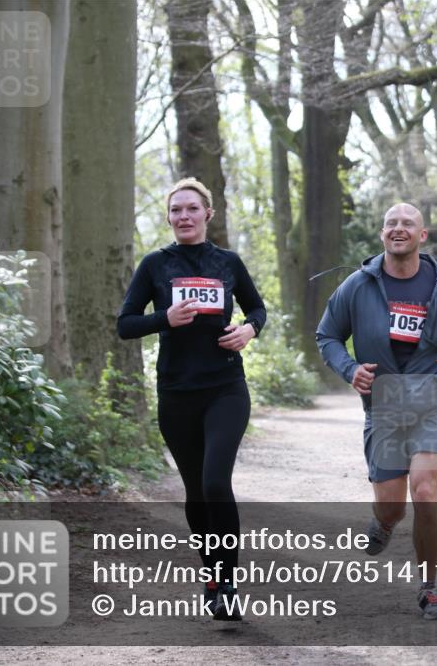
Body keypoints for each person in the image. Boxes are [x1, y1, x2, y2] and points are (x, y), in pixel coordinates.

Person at [316, 203, 437, 620]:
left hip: (433, 401)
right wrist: (350, 367)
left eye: (407, 223)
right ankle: (384, 521)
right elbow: (328, 336)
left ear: (422, 235)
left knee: (426, 492)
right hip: (385, 405)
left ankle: (429, 588)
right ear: (382, 235)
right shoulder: (358, 285)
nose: (398, 228)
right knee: (393, 506)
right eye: (391, 223)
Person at [117, 177, 266, 620]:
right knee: (197, 492)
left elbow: (257, 309)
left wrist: (248, 330)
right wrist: (166, 318)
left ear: (207, 214)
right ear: (169, 217)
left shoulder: (228, 263)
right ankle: (212, 577)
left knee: (216, 483)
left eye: (191, 209)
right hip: (176, 392)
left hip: (225, 388)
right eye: (176, 210)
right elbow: (125, 324)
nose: (183, 216)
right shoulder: (155, 265)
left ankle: (229, 585)